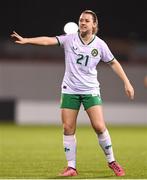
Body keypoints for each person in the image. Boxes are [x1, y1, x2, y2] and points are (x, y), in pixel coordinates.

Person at [11, 10, 134, 177]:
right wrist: (27, 40)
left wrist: (127, 82)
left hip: (90, 90)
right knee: (68, 128)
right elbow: (48, 40)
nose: (83, 23)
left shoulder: (100, 45)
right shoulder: (70, 39)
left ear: (94, 25)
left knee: (99, 126)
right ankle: (71, 167)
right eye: (81, 20)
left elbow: (113, 63)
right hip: (70, 90)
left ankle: (112, 161)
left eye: (87, 21)